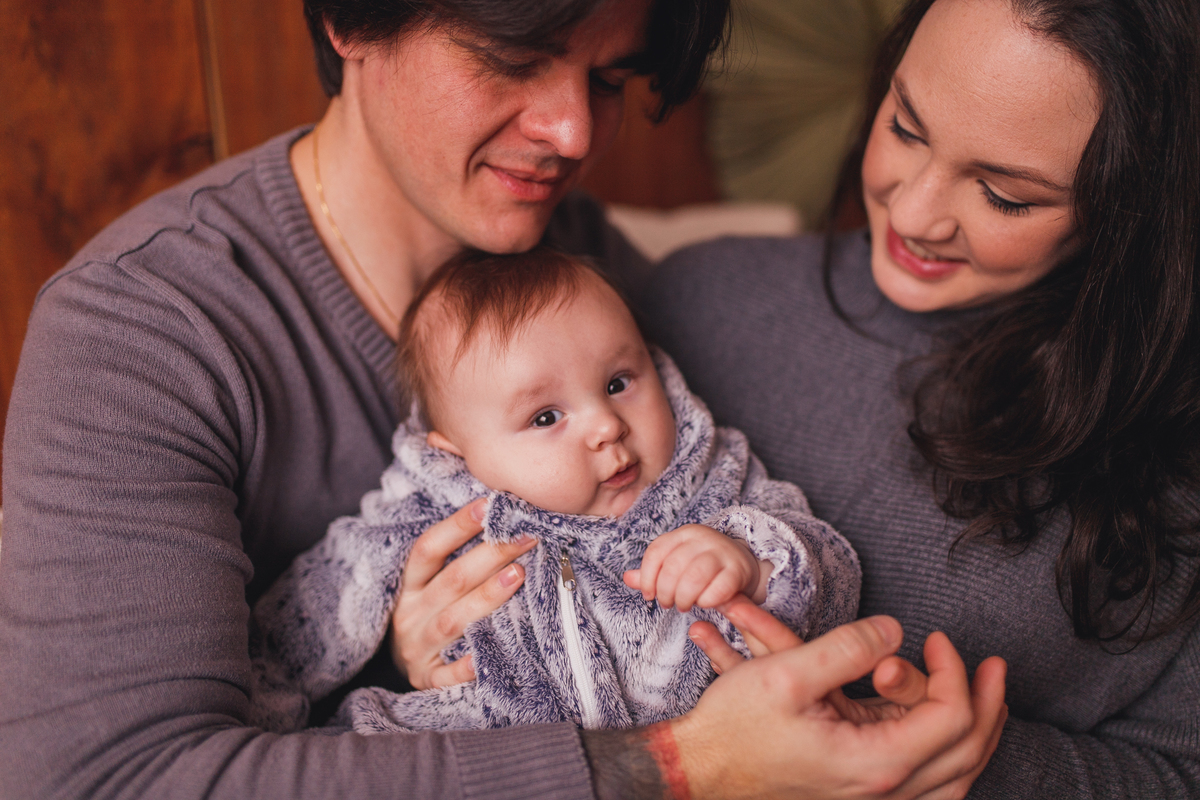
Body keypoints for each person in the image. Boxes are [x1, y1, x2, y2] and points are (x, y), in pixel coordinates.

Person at [0, 0, 1011, 796]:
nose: (572, 131)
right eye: (514, 57)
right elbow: (106, 779)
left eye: (609, 78)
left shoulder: (590, 270)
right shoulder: (142, 333)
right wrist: (679, 765)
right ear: (351, 20)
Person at [643, 0, 1200, 797]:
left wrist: (969, 765)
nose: (912, 212)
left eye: (1005, 196)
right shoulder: (694, 299)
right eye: (905, 127)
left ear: (1133, 209)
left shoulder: (1176, 447)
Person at [247, 247, 859, 735]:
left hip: (706, 739)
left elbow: (833, 570)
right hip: (490, 735)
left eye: (618, 382)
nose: (606, 426)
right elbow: (312, 612)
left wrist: (751, 560)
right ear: (458, 453)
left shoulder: (709, 475)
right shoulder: (429, 509)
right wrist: (247, 708)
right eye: (545, 417)